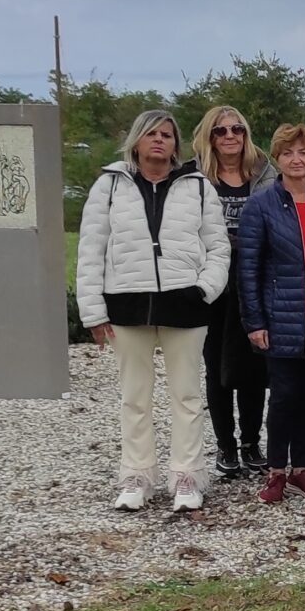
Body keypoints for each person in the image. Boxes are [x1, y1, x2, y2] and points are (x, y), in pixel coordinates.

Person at [79, 108, 232, 512]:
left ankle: (186, 475)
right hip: (127, 303)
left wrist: (205, 290)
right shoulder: (110, 185)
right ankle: (136, 475)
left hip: (185, 304)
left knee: (186, 395)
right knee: (135, 396)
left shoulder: (197, 186)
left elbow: (218, 248)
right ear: (137, 140)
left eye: (167, 135)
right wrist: (93, 311)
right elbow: (91, 249)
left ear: (176, 144)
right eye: (152, 134)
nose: (159, 141)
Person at [239, 123, 305, 506]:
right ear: (277, 158)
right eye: (288, 153)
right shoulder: (260, 206)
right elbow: (248, 268)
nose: (296, 159)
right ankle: (276, 472)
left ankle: (302, 469)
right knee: (284, 397)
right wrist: (255, 321)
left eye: (303, 152)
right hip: (282, 318)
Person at [192, 105, 267, 481]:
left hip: (253, 279)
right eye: (220, 131)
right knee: (215, 366)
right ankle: (226, 444)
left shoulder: (264, 175)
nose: (230, 136)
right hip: (212, 283)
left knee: (254, 364)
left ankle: (252, 441)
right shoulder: (194, 179)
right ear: (210, 137)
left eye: (237, 128)